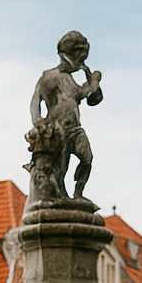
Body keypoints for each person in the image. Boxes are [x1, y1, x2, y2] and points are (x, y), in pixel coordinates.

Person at [27, 29, 103, 201]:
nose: (80, 62)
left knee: (87, 158)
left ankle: (78, 193)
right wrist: (37, 121)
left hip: (75, 128)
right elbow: (35, 101)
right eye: (78, 57)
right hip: (58, 129)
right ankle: (60, 195)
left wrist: (93, 82)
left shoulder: (69, 79)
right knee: (61, 165)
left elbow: (87, 96)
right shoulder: (51, 76)